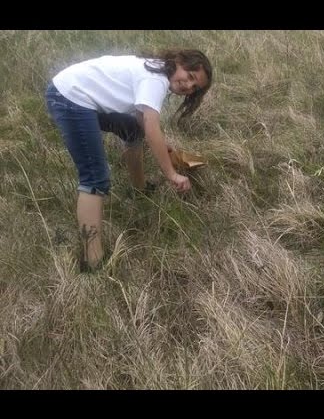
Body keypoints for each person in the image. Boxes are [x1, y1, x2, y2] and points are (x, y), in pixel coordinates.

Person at [45, 49, 212, 271]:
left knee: (133, 130)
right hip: (69, 97)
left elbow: (143, 120)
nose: (188, 87)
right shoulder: (156, 80)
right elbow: (152, 128)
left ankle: (139, 189)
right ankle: (93, 261)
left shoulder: (156, 69)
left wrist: (162, 146)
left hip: (72, 90)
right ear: (179, 62)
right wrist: (171, 173)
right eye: (190, 76)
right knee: (96, 178)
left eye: (194, 87)